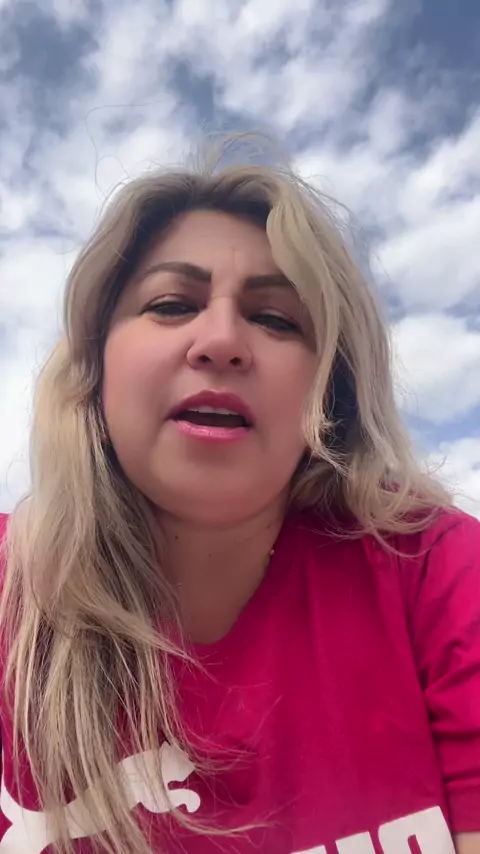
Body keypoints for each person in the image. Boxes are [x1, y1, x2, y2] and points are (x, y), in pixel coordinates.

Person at [0, 135, 479, 854]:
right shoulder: (11, 589)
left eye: (276, 318)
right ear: (95, 374)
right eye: (171, 304)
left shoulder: (434, 567)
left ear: (331, 393)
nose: (221, 340)